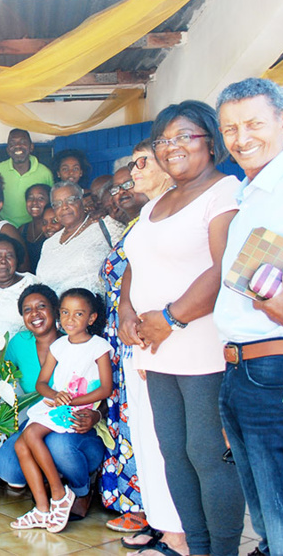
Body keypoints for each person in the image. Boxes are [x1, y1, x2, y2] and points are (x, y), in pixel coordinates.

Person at [120, 100, 245, 556]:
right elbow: (136, 260)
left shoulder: (224, 192)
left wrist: (171, 317)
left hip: (201, 344)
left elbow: (224, 267)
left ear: (210, 141)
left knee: (208, 456)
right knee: (174, 452)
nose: (171, 147)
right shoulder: (158, 202)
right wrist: (125, 311)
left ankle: (221, 550)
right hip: (156, 349)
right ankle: (195, 545)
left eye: (184, 136)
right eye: (163, 140)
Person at [214, 78, 283, 556]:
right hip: (243, 372)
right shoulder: (248, 197)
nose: (241, 139)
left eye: (254, 123)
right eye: (230, 128)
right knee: (267, 523)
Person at [113, 138, 184, 552]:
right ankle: (160, 522)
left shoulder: (179, 207)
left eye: (142, 162)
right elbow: (132, 272)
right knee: (144, 436)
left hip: (165, 340)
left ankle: (178, 531)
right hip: (134, 337)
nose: (134, 171)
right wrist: (125, 312)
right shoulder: (146, 215)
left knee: (165, 439)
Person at [0, 284, 106, 518]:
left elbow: (104, 389)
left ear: (55, 310)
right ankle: (48, 491)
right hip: (43, 417)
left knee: (59, 446)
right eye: (27, 310)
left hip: (79, 422)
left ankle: (81, 491)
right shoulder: (18, 344)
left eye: (41, 307)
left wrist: (97, 415)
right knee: (6, 465)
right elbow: (1, 380)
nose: (35, 314)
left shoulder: (79, 340)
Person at [98, 161, 165, 534]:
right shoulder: (133, 229)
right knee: (127, 422)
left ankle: (151, 509)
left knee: (144, 423)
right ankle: (139, 505)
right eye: (116, 188)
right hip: (119, 338)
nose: (121, 192)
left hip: (139, 336)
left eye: (129, 184)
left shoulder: (154, 226)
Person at [37, 181, 122, 297]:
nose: (64, 207)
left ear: (82, 201)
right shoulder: (48, 244)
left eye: (71, 200)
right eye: (57, 204)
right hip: (60, 313)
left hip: (98, 310)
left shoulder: (104, 226)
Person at [0, 129, 54, 228]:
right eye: (13, 143)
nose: (18, 146)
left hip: (35, 229)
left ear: (31, 147)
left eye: (23, 142)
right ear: (8, 149)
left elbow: (52, 203)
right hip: (4, 227)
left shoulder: (45, 173)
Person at [19, 184, 51, 273]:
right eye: (30, 198)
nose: (34, 202)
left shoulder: (55, 228)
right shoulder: (22, 229)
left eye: (41, 198)